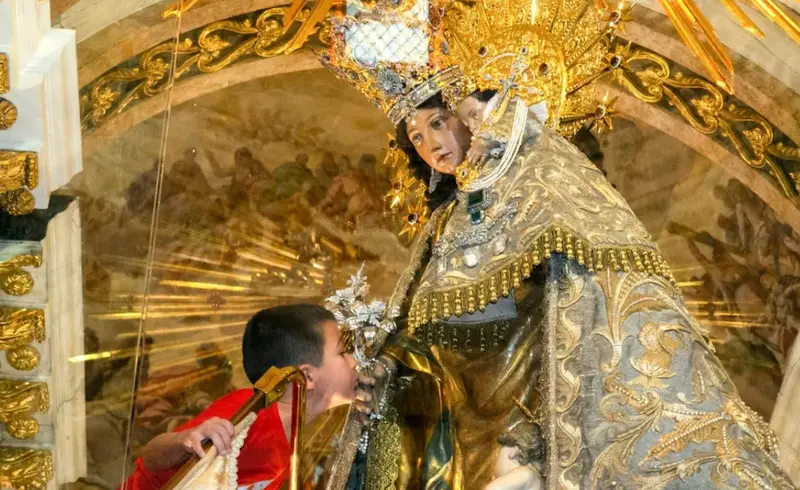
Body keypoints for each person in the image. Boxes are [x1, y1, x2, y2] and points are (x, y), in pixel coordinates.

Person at [321, 0, 793, 486]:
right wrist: (388, 363)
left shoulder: (534, 173)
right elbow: (427, 333)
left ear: (470, 112)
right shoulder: (441, 225)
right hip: (463, 415)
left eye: (437, 121)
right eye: (417, 138)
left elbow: (570, 279)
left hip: (536, 401)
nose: (431, 143)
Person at [121, 304, 357, 490]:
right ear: (305, 375)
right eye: (343, 353)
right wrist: (186, 440)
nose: (354, 362)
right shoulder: (249, 412)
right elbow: (150, 457)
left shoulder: (299, 437)